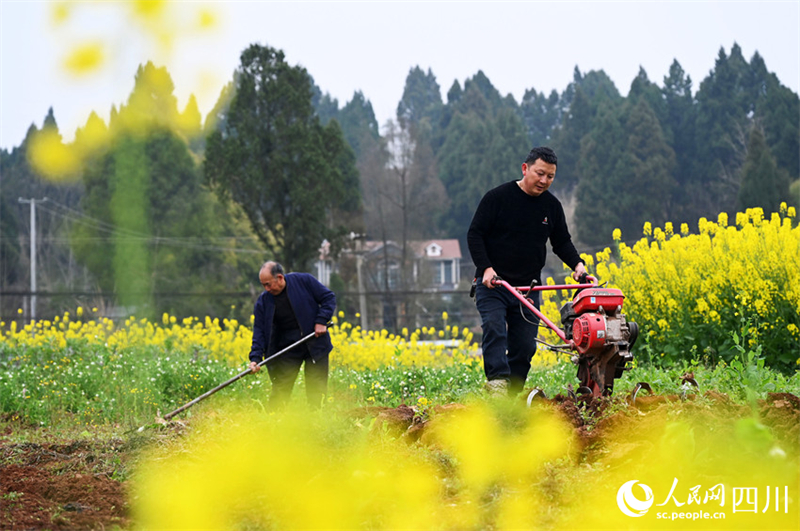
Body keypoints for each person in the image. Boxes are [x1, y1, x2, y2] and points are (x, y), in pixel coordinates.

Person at [467, 146, 588, 397]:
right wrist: (486, 269)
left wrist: (577, 265)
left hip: (529, 287)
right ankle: (498, 386)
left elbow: (561, 242)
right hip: (494, 284)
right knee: (495, 328)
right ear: (525, 168)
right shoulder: (497, 198)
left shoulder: (551, 207)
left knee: (524, 345)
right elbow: (475, 234)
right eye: (540, 173)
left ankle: (513, 396)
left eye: (550, 176)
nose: (544, 181)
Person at [248, 261, 336, 408]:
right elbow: (259, 331)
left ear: (280, 278)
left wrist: (321, 321)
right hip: (287, 348)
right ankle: (273, 420)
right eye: (263, 285)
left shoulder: (304, 281)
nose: (266, 289)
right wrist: (255, 358)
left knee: (317, 390)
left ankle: (317, 421)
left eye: (268, 284)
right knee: (281, 388)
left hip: (314, 343)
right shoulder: (264, 301)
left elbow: (328, 298)